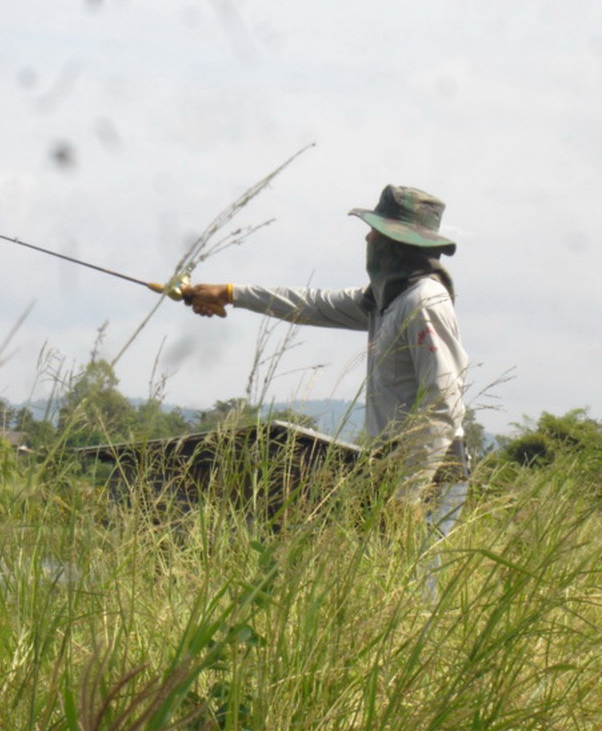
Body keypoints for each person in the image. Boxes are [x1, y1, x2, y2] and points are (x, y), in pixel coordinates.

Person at [181, 184, 470, 535]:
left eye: (376, 233)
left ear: (398, 243)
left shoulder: (424, 301)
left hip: (429, 474)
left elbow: (443, 403)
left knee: (421, 584)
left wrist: (406, 493)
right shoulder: (386, 300)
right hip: (393, 470)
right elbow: (311, 304)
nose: (367, 240)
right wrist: (230, 294)